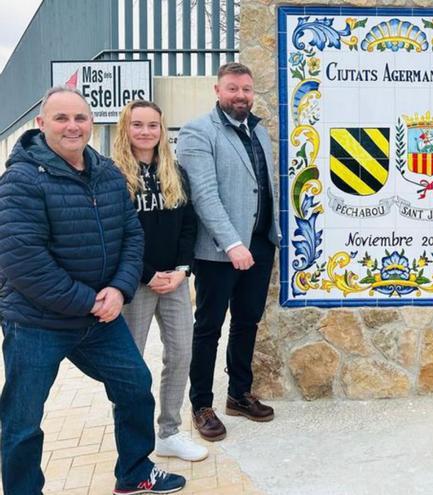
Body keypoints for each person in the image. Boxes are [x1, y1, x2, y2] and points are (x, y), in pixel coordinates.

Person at [0, 87, 185, 494]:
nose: (72, 126)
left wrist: (119, 290)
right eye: (61, 118)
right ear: (41, 124)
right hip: (37, 323)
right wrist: (90, 301)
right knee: (22, 420)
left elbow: (131, 236)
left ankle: (135, 472)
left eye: (80, 118)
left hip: (100, 318)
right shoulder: (21, 178)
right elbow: (23, 260)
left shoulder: (105, 172)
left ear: (91, 122)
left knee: (136, 387)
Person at [177, 62, 280, 441]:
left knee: (247, 322)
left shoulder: (259, 131)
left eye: (247, 90)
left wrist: (267, 236)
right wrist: (233, 243)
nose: (241, 96)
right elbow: (204, 195)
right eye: (233, 89)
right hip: (219, 251)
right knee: (208, 328)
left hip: (260, 244)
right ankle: (201, 404)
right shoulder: (197, 132)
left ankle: (239, 394)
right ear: (218, 91)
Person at [112, 100, 208, 461]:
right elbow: (115, 234)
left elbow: (188, 224)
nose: (146, 132)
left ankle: (169, 432)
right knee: (132, 365)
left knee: (181, 353)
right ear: (126, 127)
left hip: (175, 280)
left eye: (153, 125)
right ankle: (134, 443)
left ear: (162, 130)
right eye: (138, 124)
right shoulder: (113, 174)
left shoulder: (174, 170)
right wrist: (148, 273)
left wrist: (182, 270)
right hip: (135, 282)